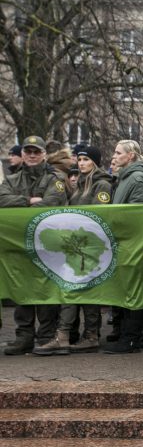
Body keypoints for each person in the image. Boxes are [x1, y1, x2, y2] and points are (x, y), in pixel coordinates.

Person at [33, 145, 113, 355]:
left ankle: (69, 336)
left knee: (74, 290)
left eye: (86, 160)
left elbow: (98, 217)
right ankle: (85, 336)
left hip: (89, 248)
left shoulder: (101, 184)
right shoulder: (81, 184)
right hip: (77, 247)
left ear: (94, 162)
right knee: (81, 291)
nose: (82, 163)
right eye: (80, 160)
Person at [0, 136, 68, 356]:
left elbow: (52, 202)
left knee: (46, 291)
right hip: (19, 243)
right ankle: (24, 337)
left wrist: (21, 201)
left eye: (36, 151)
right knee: (22, 289)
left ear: (44, 154)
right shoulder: (12, 178)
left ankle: (46, 337)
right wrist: (29, 201)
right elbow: (2, 199)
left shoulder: (55, 178)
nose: (31, 155)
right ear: (22, 154)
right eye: (27, 151)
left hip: (48, 244)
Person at [102, 140, 143, 353]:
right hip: (122, 242)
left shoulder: (138, 178)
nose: (114, 156)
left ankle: (131, 339)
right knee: (125, 290)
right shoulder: (124, 177)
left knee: (133, 291)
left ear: (131, 155)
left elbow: (139, 213)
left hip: (132, 243)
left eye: (118, 153)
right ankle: (125, 335)